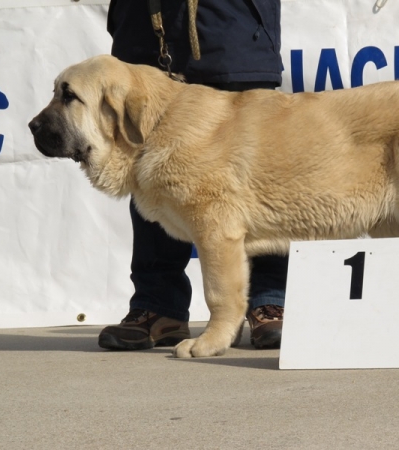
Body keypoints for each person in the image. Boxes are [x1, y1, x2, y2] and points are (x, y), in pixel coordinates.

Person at [98, 0, 288, 351]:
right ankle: (157, 306)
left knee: (258, 173)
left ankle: (269, 300)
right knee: (151, 171)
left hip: (233, 26)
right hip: (143, 27)